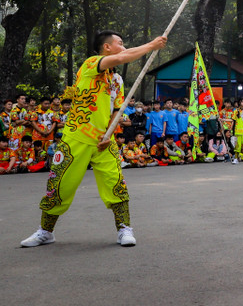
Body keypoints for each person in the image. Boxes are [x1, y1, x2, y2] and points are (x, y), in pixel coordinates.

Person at [21, 30, 167, 248]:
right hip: (76, 138)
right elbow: (120, 58)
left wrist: (109, 134)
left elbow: (117, 109)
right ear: (106, 47)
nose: (124, 47)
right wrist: (151, 45)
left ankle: (124, 229)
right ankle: (45, 231)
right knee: (60, 185)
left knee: (115, 183)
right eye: (120, 43)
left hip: (103, 141)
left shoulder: (116, 79)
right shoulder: (91, 64)